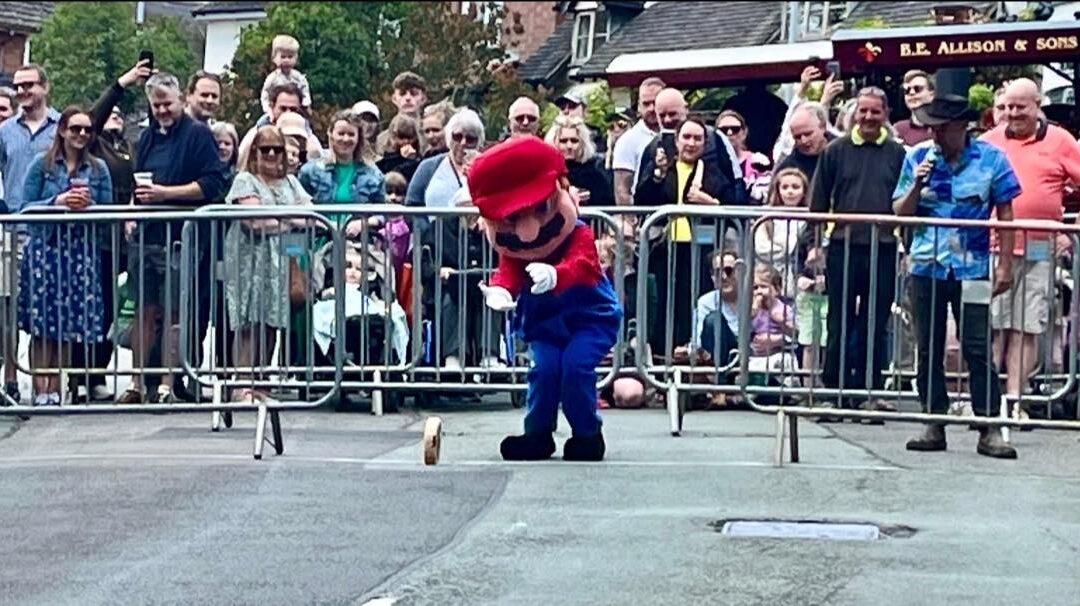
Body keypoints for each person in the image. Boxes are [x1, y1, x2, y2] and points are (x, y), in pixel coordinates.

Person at [474, 137, 622, 462]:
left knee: (575, 367)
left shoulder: (579, 233)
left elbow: (583, 264)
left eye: (540, 209)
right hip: (544, 324)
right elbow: (508, 272)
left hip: (589, 320)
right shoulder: (515, 250)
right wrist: (500, 291)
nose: (527, 232)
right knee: (544, 370)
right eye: (512, 218)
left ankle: (587, 434)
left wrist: (556, 274)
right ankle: (537, 434)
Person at [892, 93, 1021, 459]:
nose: (935, 134)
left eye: (942, 127)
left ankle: (988, 424)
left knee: (977, 345)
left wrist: (1005, 264)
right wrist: (917, 184)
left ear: (962, 127)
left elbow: (1006, 213)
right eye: (932, 127)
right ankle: (933, 419)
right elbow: (900, 211)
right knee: (928, 345)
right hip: (926, 265)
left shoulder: (992, 159)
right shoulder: (917, 157)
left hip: (973, 267)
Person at [119, 72, 226, 404]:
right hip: (147, 235)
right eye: (156, 105)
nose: (162, 110)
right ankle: (137, 383)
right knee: (144, 310)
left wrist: (166, 194)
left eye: (167, 104)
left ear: (180, 99)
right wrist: (132, 211)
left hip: (182, 237)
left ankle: (167, 383)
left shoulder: (198, 135)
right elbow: (138, 184)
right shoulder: (147, 137)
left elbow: (211, 184)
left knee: (175, 311)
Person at [981, 78, 1080, 415]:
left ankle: (1015, 400)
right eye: (1007, 106)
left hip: (1040, 248)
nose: (1012, 113)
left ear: (1037, 105)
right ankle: (987, 400)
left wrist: (1071, 230)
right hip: (994, 247)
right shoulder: (988, 142)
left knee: (1027, 325)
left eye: (1019, 107)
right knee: (995, 325)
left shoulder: (1061, 140)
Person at [809, 87, 905, 414]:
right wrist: (814, 245)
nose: (868, 117)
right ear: (854, 113)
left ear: (885, 114)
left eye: (874, 111)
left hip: (884, 247)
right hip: (842, 247)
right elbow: (818, 201)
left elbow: (906, 202)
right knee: (839, 321)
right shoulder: (835, 150)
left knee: (875, 323)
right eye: (863, 111)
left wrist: (906, 248)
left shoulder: (897, 153)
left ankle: (869, 390)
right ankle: (834, 389)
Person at [18, 107, 112, 406]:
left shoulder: (98, 169)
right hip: (46, 249)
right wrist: (57, 201)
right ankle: (40, 388)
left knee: (68, 325)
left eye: (87, 130)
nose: (81, 134)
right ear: (62, 130)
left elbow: (109, 211)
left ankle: (57, 387)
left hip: (81, 252)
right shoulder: (42, 164)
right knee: (42, 325)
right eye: (75, 129)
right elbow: (25, 207)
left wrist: (89, 205)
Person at [224, 125, 311, 403]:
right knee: (249, 321)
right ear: (254, 152)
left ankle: (262, 384)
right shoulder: (245, 180)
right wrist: (289, 218)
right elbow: (254, 221)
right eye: (265, 149)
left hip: (283, 259)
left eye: (278, 149)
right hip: (249, 260)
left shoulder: (292, 182)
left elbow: (309, 217)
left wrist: (279, 218)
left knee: (274, 320)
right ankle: (242, 385)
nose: (272, 154)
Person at [635, 118, 737, 351]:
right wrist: (657, 175)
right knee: (663, 302)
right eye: (687, 137)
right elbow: (641, 199)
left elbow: (733, 204)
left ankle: (694, 352)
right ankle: (661, 355)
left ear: (705, 143)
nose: (691, 143)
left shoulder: (713, 171)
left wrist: (710, 202)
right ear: (677, 140)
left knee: (693, 300)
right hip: (664, 246)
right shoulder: (662, 167)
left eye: (697, 138)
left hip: (701, 247)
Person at [0, 64, 61, 405]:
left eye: (29, 85)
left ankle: (46, 386)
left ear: (44, 87)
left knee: (45, 311)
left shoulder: (61, 127)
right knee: (8, 309)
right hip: (13, 229)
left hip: (51, 233)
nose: (23, 91)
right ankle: (10, 379)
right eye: (18, 86)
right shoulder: (6, 131)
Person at [299, 109, 385, 229]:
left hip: (360, 237)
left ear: (358, 138)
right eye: (341, 133)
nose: (345, 139)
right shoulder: (309, 171)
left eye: (351, 134)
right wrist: (325, 225)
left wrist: (362, 224)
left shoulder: (374, 174)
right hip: (320, 236)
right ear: (331, 134)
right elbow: (299, 210)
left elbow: (382, 213)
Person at [407, 108, 484, 211]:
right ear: (449, 137)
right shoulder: (428, 167)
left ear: (478, 142)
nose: (463, 143)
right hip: (434, 221)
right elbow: (412, 205)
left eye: (470, 139)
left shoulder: (488, 166)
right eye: (457, 136)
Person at [238, 83, 321, 170]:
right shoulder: (254, 137)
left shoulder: (310, 138)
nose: (288, 113)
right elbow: (241, 167)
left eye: (293, 109)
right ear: (272, 107)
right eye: (283, 108)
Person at [756, 167, 809, 299]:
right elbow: (762, 249)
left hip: (800, 283)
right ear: (778, 190)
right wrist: (792, 246)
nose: (790, 191)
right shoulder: (766, 216)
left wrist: (780, 244)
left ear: (804, 191)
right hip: (772, 281)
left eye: (795, 187)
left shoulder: (810, 217)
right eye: (785, 187)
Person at [612, 77, 665, 206]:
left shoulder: (682, 134)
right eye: (646, 104)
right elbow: (622, 189)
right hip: (644, 212)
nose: (651, 108)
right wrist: (630, 216)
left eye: (656, 103)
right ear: (639, 107)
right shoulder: (627, 141)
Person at [545, 114, 612, 206]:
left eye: (574, 141)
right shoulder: (546, 172)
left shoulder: (595, 174)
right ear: (553, 142)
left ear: (582, 143)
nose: (569, 146)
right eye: (563, 141)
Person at [716, 109, 771, 202]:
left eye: (735, 129)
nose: (729, 133)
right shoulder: (711, 162)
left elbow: (766, 195)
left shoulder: (759, 161)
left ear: (744, 133)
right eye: (723, 130)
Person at [777, 103, 831, 182]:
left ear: (822, 127)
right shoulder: (788, 169)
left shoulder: (843, 150)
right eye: (797, 137)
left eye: (808, 134)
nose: (804, 141)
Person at [377, 71, 427, 155]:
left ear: (423, 98)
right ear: (394, 99)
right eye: (402, 93)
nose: (408, 98)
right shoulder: (382, 139)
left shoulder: (430, 133)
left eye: (414, 93)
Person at [260, 35, 311, 114]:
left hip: (295, 109)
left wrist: (305, 104)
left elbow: (305, 90)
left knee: (306, 121)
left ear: (296, 58)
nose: (286, 60)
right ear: (274, 58)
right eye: (283, 57)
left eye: (290, 57)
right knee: (263, 121)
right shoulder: (272, 78)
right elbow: (265, 93)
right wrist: (267, 109)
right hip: (275, 110)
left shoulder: (298, 77)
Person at [893, 70, 935, 147]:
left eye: (917, 89)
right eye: (907, 91)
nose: (911, 93)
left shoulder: (943, 127)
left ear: (932, 94)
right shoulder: (898, 129)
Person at [375, 114, 421, 182]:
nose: (406, 142)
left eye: (410, 138)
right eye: (401, 138)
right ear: (393, 138)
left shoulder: (420, 159)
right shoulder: (386, 161)